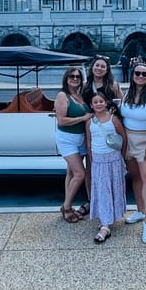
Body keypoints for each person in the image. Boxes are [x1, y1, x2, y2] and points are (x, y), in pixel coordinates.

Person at [119, 63, 146, 244]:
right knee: (135, 177)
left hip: (145, 140)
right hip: (128, 140)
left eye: (144, 74)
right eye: (137, 73)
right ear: (132, 75)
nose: (140, 76)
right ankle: (140, 210)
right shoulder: (126, 94)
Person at [85, 91, 128, 244]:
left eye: (101, 101)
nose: (98, 104)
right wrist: (92, 160)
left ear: (106, 103)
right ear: (91, 105)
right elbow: (89, 143)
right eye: (95, 102)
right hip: (98, 161)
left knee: (113, 189)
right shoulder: (89, 122)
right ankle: (105, 225)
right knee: (102, 191)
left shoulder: (113, 119)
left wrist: (121, 156)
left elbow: (123, 137)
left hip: (113, 159)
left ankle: (107, 219)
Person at [54, 66, 92, 223]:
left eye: (77, 76)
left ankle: (66, 204)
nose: (75, 78)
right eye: (72, 76)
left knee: (71, 172)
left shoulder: (79, 95)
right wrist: (82, 119)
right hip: (67, 139)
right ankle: (67, 206)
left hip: (81, 139)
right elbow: (61, 120)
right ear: (66, 79)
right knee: (80, 174)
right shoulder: (62, 96)